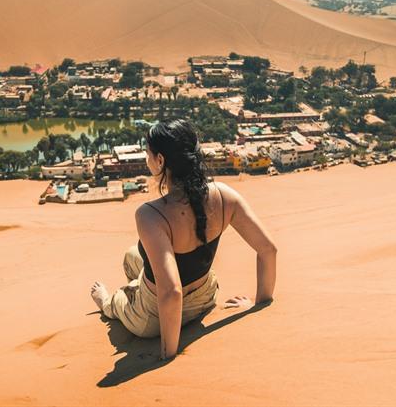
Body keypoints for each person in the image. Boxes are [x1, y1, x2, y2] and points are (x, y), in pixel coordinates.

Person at [90, 118, 277, 360]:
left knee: (117, 302)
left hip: (153, 319)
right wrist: (259, 305)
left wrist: (168, 355)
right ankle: (138, 288)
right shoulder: (225, 195)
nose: (146, 159)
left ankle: (110, 302)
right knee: (132, 256)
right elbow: (268, 250)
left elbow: (172, 292)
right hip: (205, 299)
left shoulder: (150, 214)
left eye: (148, 154)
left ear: (160, 161)